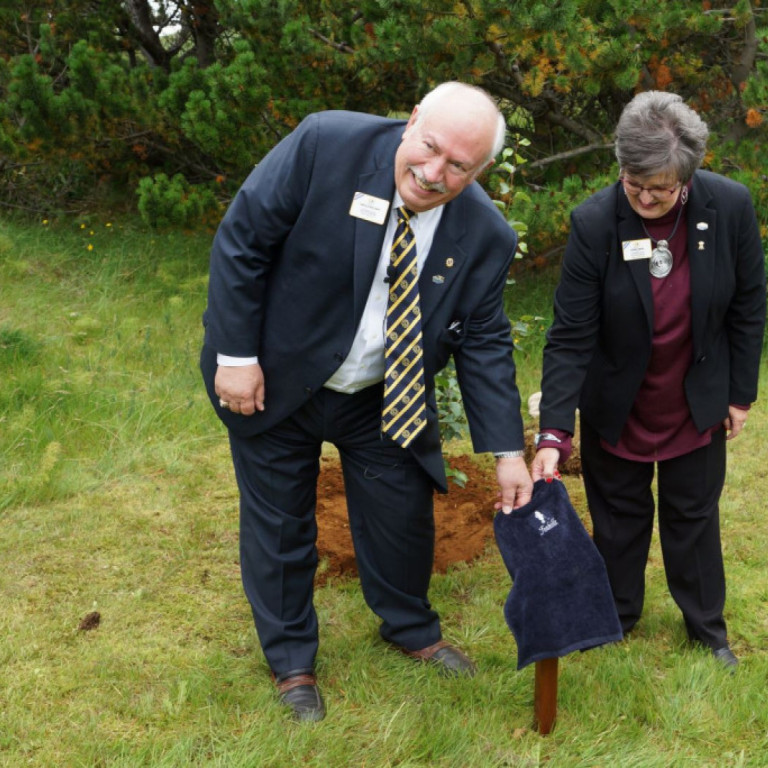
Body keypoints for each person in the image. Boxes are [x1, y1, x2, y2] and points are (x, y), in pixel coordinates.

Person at [201, 82, 533, 721]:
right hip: (278, 376)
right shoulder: (325, 144)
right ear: (412, 120)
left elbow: (484, 339)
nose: (433, 173)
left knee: (400, 516)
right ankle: (292, 662)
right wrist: (236, 358)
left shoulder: (486, 234)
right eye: (429, 148)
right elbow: (244, 240)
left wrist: (507, 452)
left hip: (385, 392)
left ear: (481, 170)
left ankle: (410, 628)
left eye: (458, 166)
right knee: (280, 524)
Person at [532, 91, 766, 670]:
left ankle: (706, 628)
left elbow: (748, 306)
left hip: (695, 394)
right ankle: (616, 614)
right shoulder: (594, 222)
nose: (644, 197)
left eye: (659, 188)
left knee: (694, 517)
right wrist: (555, 431)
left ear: (687, 176)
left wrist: (740, 394)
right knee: (618, 517)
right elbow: (570, 335)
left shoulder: (729, 206)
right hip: (620, 399)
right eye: (633, 183)